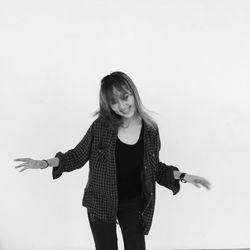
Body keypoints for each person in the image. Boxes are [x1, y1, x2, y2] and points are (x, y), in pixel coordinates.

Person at [14, 71, 211, 250]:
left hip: (133, 203)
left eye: (125, 97)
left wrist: (184, 175)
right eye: (114, 102)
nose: (122, 106)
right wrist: (44, 163)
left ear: (133, 94)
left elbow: (155, 168)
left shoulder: (150, 130)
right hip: (100, 201)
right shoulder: (101, 127)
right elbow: (76, 156)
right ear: (108, 105)